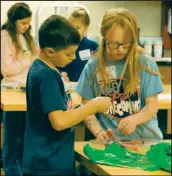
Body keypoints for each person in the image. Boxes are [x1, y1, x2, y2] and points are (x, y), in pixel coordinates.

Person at [22, 14, 112, 176]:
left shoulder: (42, 69)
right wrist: (94, 105)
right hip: (48, 164)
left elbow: (64, 109)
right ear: (49, 51)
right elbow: (60, 121)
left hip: (49, 160)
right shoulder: (46, 75)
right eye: (68, 54)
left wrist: (96, 129)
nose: (73, 58)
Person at [75, 8, 164, 141]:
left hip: (147, 141)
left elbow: (152, 106)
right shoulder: (93, 66)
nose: (121, 49)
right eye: (115, 44)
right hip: (113, 144)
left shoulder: (145, 62)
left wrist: (135, 119)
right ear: (104, 38)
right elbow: (86, 106)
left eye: (127, 43)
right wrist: (98, 131)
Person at [1, 2, 36, 176]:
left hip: (26, 87)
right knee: (13, 136)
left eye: (28, 22)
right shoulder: (5, 36)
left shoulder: (27, 36)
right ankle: (11, 170)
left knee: (25, 134)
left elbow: (35, 58)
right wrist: (27, 62)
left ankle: (22, 168)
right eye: (23, 23)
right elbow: (6, 68)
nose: (26, 26)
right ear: (13, 20)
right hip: (11, 89)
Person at [60, 8, 99, 82]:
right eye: (71, 27)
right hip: (70, 86)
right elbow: (57, 66)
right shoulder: (63, 47)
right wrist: (61, 74)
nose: (73, 31)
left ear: (86, 28)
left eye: (77, 28)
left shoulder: (93, 46)